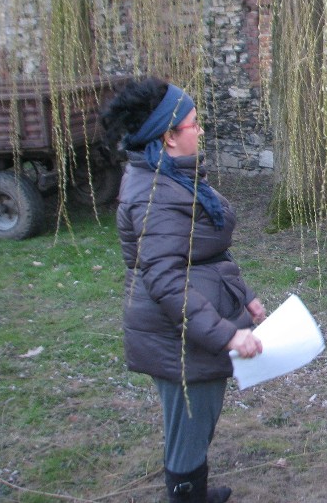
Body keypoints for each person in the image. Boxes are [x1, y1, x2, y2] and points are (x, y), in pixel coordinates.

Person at [103, 78, 266, 503]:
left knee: (196, 423)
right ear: (168, 137)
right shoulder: (156, 196)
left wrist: (243, 295)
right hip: (178, 334)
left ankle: (194, 493)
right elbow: (168, 281)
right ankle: (185, 498)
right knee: (188, 429)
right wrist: (228, 334)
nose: (200, 131)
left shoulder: (175, 177)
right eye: (193, 124)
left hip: (193, 326)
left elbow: (206, 253)